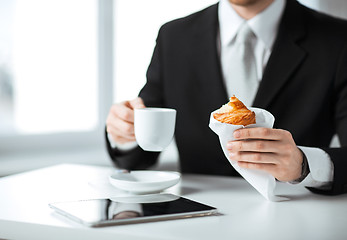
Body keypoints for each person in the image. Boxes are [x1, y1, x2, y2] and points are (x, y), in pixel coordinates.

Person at [105, 0, 347, 195]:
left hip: (298, 217)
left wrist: (303, 165)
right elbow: (140, 156)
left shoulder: (337, 39)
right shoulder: (174, 36)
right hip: (196, 219)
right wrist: (124, 133)